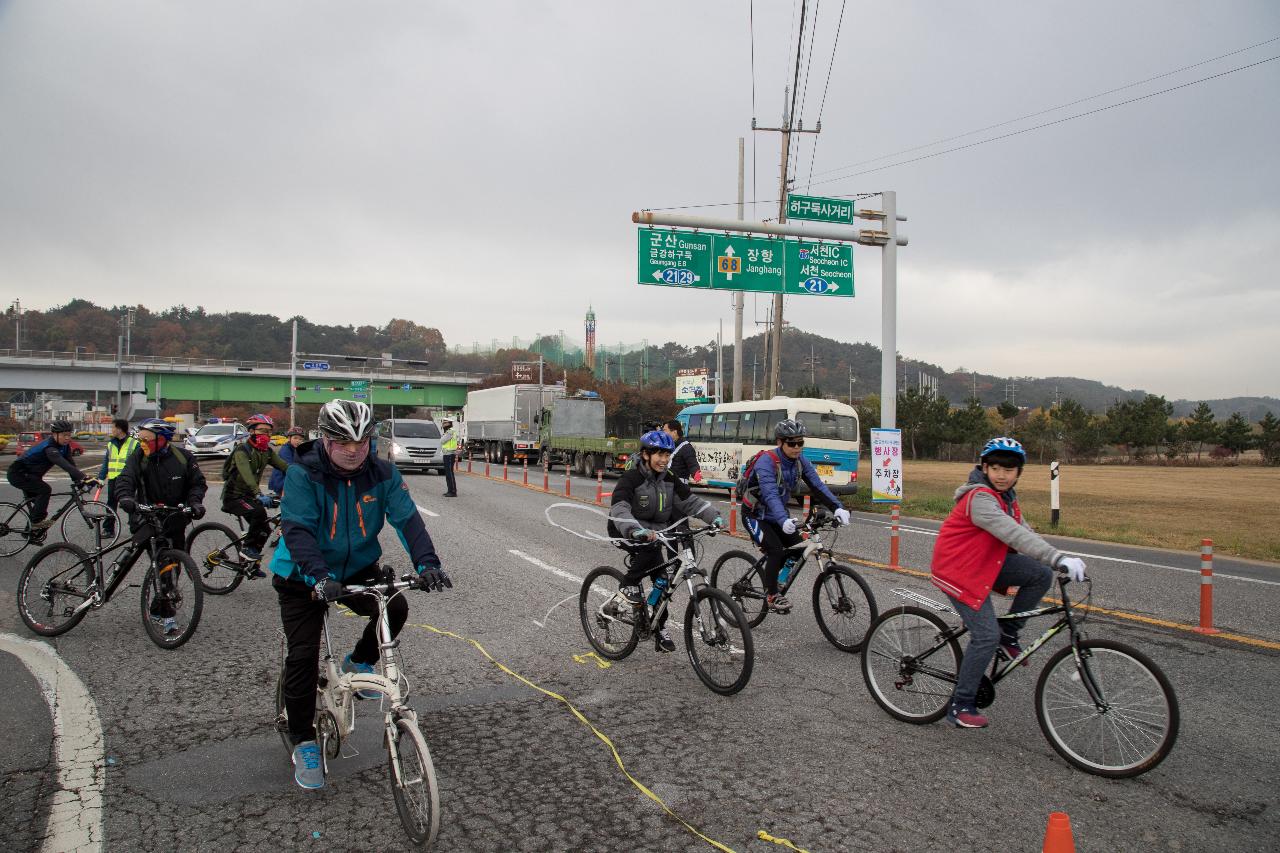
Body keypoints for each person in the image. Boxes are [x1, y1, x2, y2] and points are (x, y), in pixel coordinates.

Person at [271, 399, 450, 790]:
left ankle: (358, 661)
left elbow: (407, 519)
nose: (352, 450)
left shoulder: (383, 473)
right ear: (326, 440)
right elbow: (297, 529)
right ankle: (303, 741)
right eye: (342, 442)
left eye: (361, 441)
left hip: (355, 568)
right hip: (303, 575)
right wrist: (318, 577)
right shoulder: (304, 473)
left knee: (396, 606)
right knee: (303, 656)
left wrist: (427, 563)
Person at [929, 436, 1088, 729]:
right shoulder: (979, 498)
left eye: (1010, 469)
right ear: (985, 467)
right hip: (959, 570)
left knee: (1040, 574)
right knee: (985, 636)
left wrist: (1058, 558)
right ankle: (961, 703)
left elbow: (1025, 533)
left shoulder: (1007, 500)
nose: (1002, 475)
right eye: (996, 468)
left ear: (1018, 473)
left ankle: (1009, 635)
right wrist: (1057, 557)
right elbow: (1012, 535)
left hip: (986, 563)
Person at [608, 429, 724, 653]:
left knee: (663, 582)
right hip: (626, 531)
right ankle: (628, 584)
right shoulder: (631, 478)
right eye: (659, 454)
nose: (664, 460)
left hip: (656, 533)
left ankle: (658, 626)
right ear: (645, 455)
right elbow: (620, 508)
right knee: (651, 552)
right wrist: (635, 530)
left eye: (667, 455)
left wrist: (713, 516)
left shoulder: (669, 479)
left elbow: (690, 501)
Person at [740, 419, 851, 615]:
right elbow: (770, 494)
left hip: (778, 516)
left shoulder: (801, 461)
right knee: (775, 551)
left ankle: (776, 578)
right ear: (780, 442)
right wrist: (783, 519)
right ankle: (772, 595)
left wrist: (837, 507)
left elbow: (818, 485)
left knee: (799, 548)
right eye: (792, 443)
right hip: (755, 515)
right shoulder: (767, 461)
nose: (797, 447)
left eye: (801, 442)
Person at [114, 418, 208, 635]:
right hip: (146, 519)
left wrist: (195, 502)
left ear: (163, 439)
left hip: (174, 519)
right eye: (141, 438)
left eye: (147, 439)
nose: (143, 443)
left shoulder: (183, 457)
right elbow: (125, 479)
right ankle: (168, 617)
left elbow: (197, 483)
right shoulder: (139, 456)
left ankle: (157, 608)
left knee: (173, 565)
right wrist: (126, 497)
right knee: (164, 565)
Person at [222, 414, 290, 566]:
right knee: (258, 513)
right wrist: (258, 494)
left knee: (266, 530)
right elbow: (247, 476)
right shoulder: (242, 451)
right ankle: (246, 549)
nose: (266, 435)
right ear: (252, 431)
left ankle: (250, 564)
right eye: (262, 431)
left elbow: (285, 467)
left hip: (249, 497)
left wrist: (305, 475)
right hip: (234, 497)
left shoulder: (266, 451)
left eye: (269, 431)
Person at [6, 420, 92, 531]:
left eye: (69, 435)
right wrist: (85, 477)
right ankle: (35, 525)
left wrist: (79, 482)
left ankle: (31, 530)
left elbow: (71, 465)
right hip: (18, 474)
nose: (67, 438)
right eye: (63, 435)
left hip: (32, 476)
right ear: (54, 435)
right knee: (45, 490)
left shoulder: (65, 447)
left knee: (40, 506)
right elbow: (64, 464)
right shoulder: (49, 448)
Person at [96, 418, 138, 538]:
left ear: (120, 429)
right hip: (113, 478)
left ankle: (134, 528)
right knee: (111, 504)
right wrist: (101, 478)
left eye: (113, 427)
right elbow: (106, 462)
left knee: (130, 504)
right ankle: (109, 529)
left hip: (128, 480)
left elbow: (139, 463)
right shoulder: (111, 444)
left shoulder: (134, 443)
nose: (112, 429)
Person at [662, 419, 703, 485]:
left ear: (674, 432)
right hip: (667, 485)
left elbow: (692, 464)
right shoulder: (667, 446)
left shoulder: (686, 447)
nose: (663, 433)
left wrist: (696, 473)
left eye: (665, 430)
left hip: (680, 487)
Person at [269, 427, 305, 496]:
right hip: (282, 481)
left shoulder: (296, 449)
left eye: (300, 439)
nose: (298, 441)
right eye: (295, 438)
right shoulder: (285, 450)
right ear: (289, 438)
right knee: (288, 504)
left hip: (289, 481)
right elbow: (290, 466)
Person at [440, 418, 459, 497]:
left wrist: (443, 436)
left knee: (449, 473)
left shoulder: (450, 432)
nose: (443, 425)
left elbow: (442, 441)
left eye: (444, 423)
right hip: (447, 454)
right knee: (448, 473)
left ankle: (453, 491)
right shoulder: (450, 431)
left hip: (449, 454)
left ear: (447, 424)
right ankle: (450, 490)